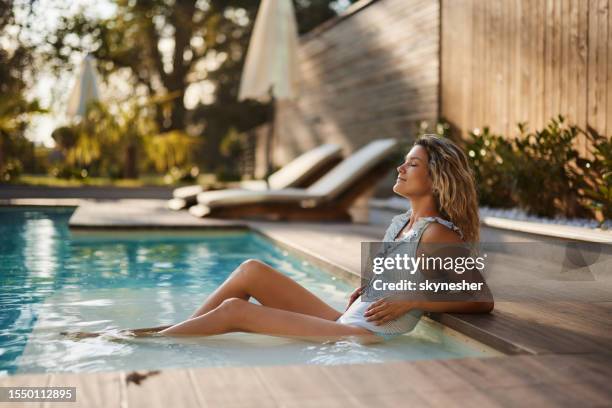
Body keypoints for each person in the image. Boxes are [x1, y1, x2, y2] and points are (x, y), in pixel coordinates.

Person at [64, 135, 493, 343]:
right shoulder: (400, 222)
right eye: (402, 162)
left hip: (361, 337)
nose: (400, 169)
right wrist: (373, 287)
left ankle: (152, 342)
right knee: (251, 270)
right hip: (349, 320)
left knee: (237, 310)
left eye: (412, 165)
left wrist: (411, 301)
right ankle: (175, 332)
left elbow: (480, 298)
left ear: (436, 179)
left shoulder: (436, 231)